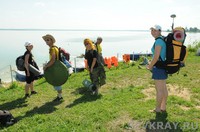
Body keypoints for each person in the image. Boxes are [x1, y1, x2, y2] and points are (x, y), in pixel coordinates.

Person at [146, 25, 168, 113]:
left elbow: (156, 57)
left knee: (159, 90)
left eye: (155, 30)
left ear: (159, 31)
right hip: (163, 66)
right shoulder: (162, 39)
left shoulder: (158, 41)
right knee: (163, 89)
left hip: (159, 67)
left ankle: (158, 109)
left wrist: (150, 66)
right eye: (152, 30)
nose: (153, 32)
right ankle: (163, 107)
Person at [42, 34, 63, 101]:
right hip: (57, 67)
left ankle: (60, 97)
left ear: (51, 40)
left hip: (55, 68)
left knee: (56, 82)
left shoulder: (52, 49)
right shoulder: (55, 47)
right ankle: (59, 96)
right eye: (45, 40)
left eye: (48, 40)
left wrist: (46, 66)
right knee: (57, 82)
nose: (46, 41)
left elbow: (53, 60)